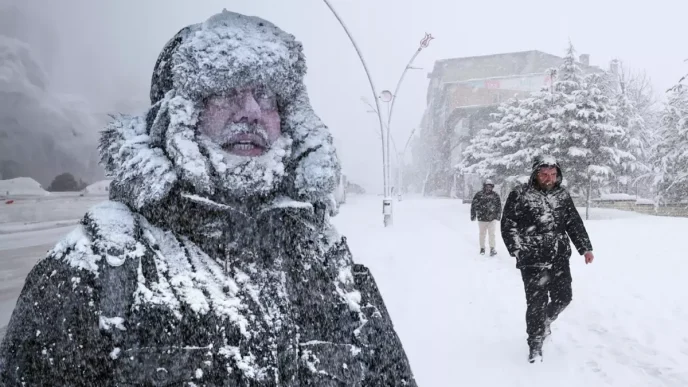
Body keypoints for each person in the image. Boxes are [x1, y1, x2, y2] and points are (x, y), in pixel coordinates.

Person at [0, 10, 417, 386]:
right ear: (177, 114)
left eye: (267, 95)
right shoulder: (96, 270)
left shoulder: (330, 265)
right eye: (226, 90)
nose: (251, 109)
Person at [500, 155, 594, 363]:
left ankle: (545, 322)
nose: (549, 178)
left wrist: (585, 247)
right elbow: (508, 225)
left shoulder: (562, 195)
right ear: (535, 174)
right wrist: (517, 250)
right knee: (536, 303)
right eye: (544, 174)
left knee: (564, 297)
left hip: (559, 257)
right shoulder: (520, 194)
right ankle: (535, 344)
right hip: (533, 259)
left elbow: (574, 223)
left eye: (553, 174)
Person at [470, 179, 501, 256]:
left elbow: (499, 206)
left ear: (492, 187)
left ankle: (492, 248)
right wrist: (473, 215)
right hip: (482, 218)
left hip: (492, 218)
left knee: (492, 234)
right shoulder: (479, 195)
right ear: (484, 186)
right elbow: (473, 205)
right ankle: (482, 248)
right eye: (487, 186)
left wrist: (498, 215)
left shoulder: (495, 195)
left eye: (490, 186)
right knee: (482, 234)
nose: (488, 188)